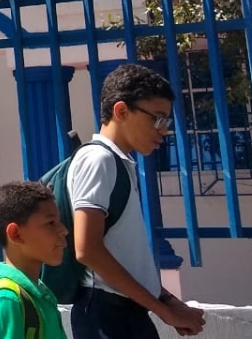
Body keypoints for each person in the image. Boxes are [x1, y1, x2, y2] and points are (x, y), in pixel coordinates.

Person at [68, 63, 206, 338]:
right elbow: (87, 249)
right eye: (157, 119)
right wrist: (162, 309)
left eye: (166, 121)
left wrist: (167, 302)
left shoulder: (117, 162)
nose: (163, 130)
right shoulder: (99, 160)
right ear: (121, 111)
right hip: (105, 313)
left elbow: (125, 256)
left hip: (124, 311)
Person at [0, 180, 70, 339]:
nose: (64, 230)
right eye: (51, 223)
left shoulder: (38, 292)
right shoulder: (6, 302)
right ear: (16, 234)